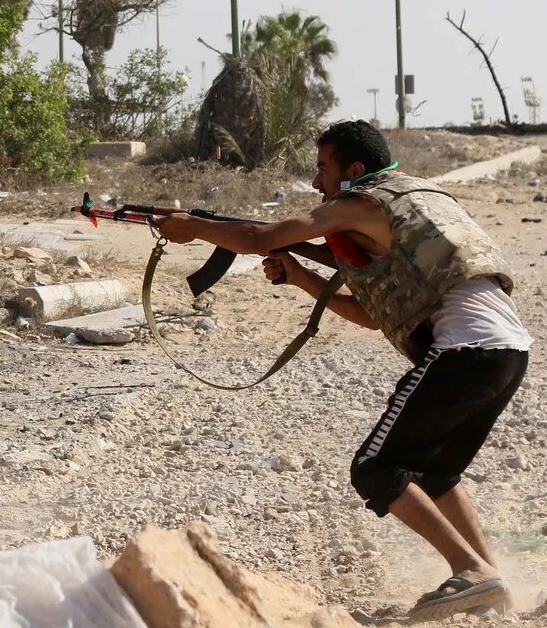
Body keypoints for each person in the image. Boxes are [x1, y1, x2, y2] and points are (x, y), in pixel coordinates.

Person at [151, 120, 531, 622]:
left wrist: (193, 228)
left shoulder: (362, 202)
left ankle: (471, 570)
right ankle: (489, 578)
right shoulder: (418, 197)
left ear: (354, 169)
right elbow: (372, 316)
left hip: (464, 351)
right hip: (508, 351)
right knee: (434, 471)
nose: (316, 183)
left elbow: (257, 235)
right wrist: (301, 275)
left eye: (322, 169)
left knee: (375, 468)